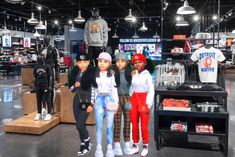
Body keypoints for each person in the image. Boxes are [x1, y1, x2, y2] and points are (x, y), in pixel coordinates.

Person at [68, 53, 97, 156]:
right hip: (76, 101)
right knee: (81, 125)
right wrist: (75, 86)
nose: (82, 64)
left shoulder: (92, 73)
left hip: (87, 101)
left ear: (89, 62)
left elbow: (94, 90)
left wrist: (92, 104)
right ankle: (83, 144)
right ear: (76, 63)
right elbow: (71, 90)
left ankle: (88, 142)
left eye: (85, 61)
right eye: (80, 62)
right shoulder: (75, 72)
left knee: (79, 125)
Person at [129, 53, 154, 156]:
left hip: (144, 99)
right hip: (134, 99)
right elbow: (130, 86)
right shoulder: (133, 73)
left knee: (144, 125)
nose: (137, 64)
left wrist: (148, 104)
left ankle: (145, 146)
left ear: (144, 63)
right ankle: (135, 145)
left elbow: (151, 90)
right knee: (134, 124)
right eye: (135, 62)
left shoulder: (147, 75)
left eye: (140, 62)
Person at [94, 52, 119, 157]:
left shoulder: (111, 75)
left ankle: (109, 147)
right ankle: (98, 147)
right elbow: (93, 89)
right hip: (99, 99)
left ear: (109, 63)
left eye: (105, 62)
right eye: (100, 61)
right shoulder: (95, 75)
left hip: (109, 99)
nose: (102, 64)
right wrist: (93, 101)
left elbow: (114, 90)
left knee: (109, 125)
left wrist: (116, 103)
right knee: (99, 125)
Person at [111, 53, 132, 155]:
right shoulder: (112, 72)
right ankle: (117, 144)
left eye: (122, 61)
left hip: (128, 98)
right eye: (118, 61)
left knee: (128, 121)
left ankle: (127, 142)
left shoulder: (130, 72)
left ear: (126, 62)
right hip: (116, 98)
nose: (120, 63)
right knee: (117, 121)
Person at [33, 54, 52, 121]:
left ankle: (49, 113)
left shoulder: (47, 66)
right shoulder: (36, 67)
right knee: (38, 99)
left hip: (45, 85)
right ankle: (39, 113)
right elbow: (35, 77)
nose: (39, 60)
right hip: (38, 85)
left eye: (41, 59)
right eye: (39, 59)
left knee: (47, 99)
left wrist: (50, 86)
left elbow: (50, 77)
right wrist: (34, 86)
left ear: (43, 59)